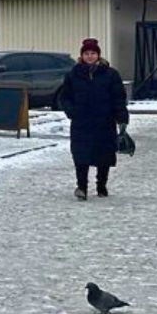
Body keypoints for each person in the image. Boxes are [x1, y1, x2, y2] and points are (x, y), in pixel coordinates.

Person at [59, 37, 129, 200]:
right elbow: (65, 97)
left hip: (104, 121)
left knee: (104, 155)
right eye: (86, 53)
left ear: (98, 55)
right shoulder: (73, 75)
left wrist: (122, 118)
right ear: (82, 56)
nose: (90, 56)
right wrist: (71, 111)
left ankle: (101, 186)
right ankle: (81, 187)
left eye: (93, 53)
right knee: (80, 155)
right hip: (81, 122)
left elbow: (119, 98)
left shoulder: (110, 74)